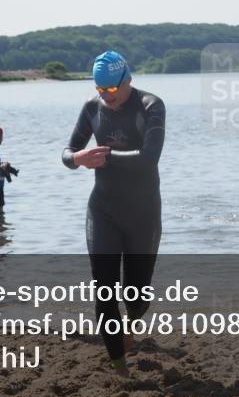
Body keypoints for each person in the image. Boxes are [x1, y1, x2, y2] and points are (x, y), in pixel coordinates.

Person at [61, 51, 165, 374]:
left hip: (143, 213)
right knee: (104, 290)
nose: (106, 97)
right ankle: (119, 367)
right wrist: (78, 158)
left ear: (127, 81)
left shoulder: (151, 106)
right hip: (103, 210)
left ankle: (132, 323)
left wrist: (103, 156)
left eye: (111, 90)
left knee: (136, 297)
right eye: (99, 90)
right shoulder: (92, 108)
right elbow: (67, 151)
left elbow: (150, 158)